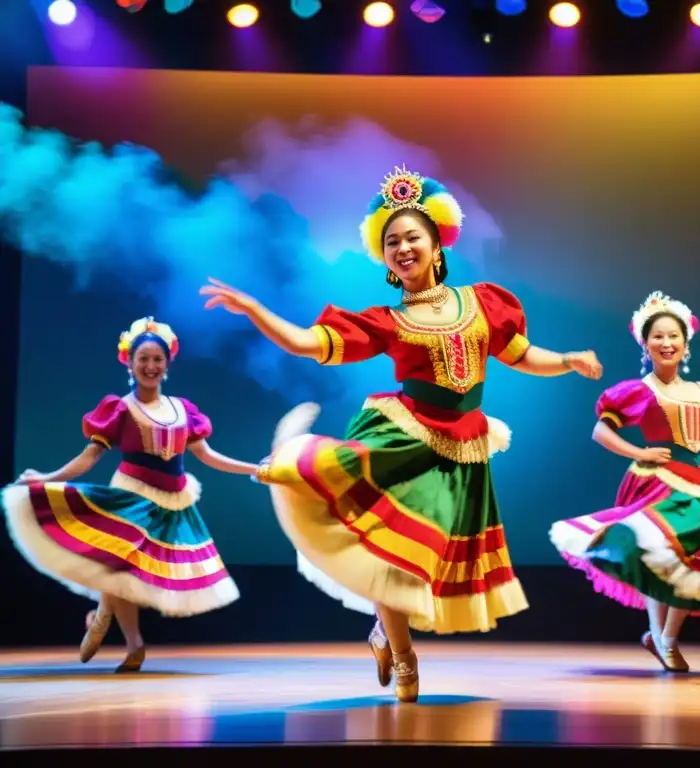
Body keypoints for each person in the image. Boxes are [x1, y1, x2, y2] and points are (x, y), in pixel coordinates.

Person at [199, 165, 603, 703]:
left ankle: (382, 632)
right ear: (385, 258)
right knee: (391, 552)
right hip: (403, 443)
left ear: (437, 244)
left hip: (463, 451)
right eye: (392, 242)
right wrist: (253, 309)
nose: (403, 247)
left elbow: (522, 355)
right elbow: (303, 343)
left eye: (412, 236)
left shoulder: (484, 303)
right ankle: (405, 655)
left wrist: (568, 360)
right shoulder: (386, 321)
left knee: (428, 557)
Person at [2, 317, 260, 672]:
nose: (151, 366)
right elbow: (89, 456)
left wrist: (254, 469)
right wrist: (48, 477)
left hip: (172, 502)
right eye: (144, 359)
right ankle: (129, 640)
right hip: (131, 497)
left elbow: (208, 456)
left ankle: (103, 614)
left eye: (157, 359)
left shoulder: (184, 410)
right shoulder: (120, 408)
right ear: (130, 363)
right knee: (122, 564)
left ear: (167, 364)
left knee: (133, 575)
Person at [549, 292, 700, 672]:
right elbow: (601, 432)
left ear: (686, 343)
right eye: (658, 337)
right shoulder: (639, 391)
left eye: (674, 336)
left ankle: (665, 637)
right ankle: (660, 634)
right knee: (659, 555)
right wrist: (639, 452)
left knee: (698, 563)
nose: (666, 343)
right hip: (662, 482)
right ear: (645, 343)